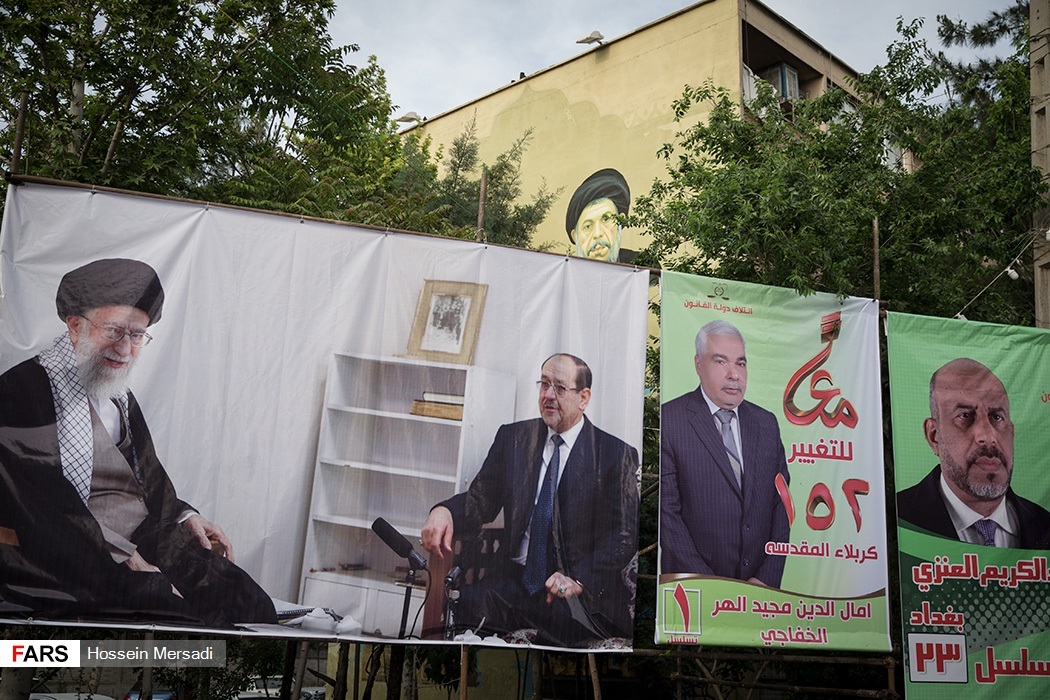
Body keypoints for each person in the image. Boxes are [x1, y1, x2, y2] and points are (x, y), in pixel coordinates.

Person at [0, 258, 277, 627]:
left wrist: (187, 516)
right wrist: (124, 555)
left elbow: (148, 477)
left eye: (137, 336)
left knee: (247, 602)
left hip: (142, 537)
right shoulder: (22, 390)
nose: (125, 349)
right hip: (71, 553)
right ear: (75, 325)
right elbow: (38, 503)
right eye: (114, 331)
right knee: (176, 613)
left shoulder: (117, 393)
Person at [421, 353, 639, 646]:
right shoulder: (514, 438)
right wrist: (444, 511)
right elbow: (480, 500)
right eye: (544, 384)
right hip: (515, 577)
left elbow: (624, 534)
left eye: (559, 388)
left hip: (571, 587)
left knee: (563, 627)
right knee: (470, 603)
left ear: (583, 398)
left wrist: (579, 579)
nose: (548, 395)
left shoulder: (614, 455)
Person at [659, 320, 790, 586]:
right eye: (721, 361)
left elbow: (783, 505)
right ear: (698, 364)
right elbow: (667, 515)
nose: (734, 374)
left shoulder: (766, 423)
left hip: (759, 589)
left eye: (740, 363)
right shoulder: (671, 419)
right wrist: (710, 585)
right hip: (694, 588)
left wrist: (766, 577)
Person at [896, 358, 1050, 548]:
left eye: (997, 417)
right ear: (934, 436)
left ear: (1012, 433)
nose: (988, 436)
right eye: (965, 416)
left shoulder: (1045, 524)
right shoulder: (895, 517)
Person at [565, 169, 630, 262]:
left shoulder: (643, 266)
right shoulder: (566, 270)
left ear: (621, 220)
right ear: (575, 236)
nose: (597, 234)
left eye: (606, 219)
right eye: (587, 226)